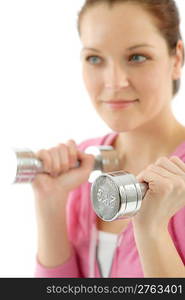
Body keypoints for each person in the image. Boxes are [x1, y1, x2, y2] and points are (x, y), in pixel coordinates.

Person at [33, 0, 185, 278]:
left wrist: (151, 230)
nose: (114, 82)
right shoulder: (78, 165)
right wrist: (50, 203)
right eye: (95, 58)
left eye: (137, 57)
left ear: (176, 59)